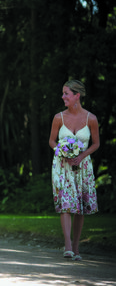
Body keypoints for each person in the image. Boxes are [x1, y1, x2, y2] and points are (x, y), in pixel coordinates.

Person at [48, 80, 99, 261]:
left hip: (82, 165)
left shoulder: (91, 119)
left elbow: (96, 143)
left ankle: (76, 246)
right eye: (63, 93)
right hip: (62, 166)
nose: (63, 97)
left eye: (66, 93)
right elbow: (52, 141)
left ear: (77, 96)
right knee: (66, 204)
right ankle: (68, 245)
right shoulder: (58, 118)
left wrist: (82, 155)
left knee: (80, 208)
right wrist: (62, 152)